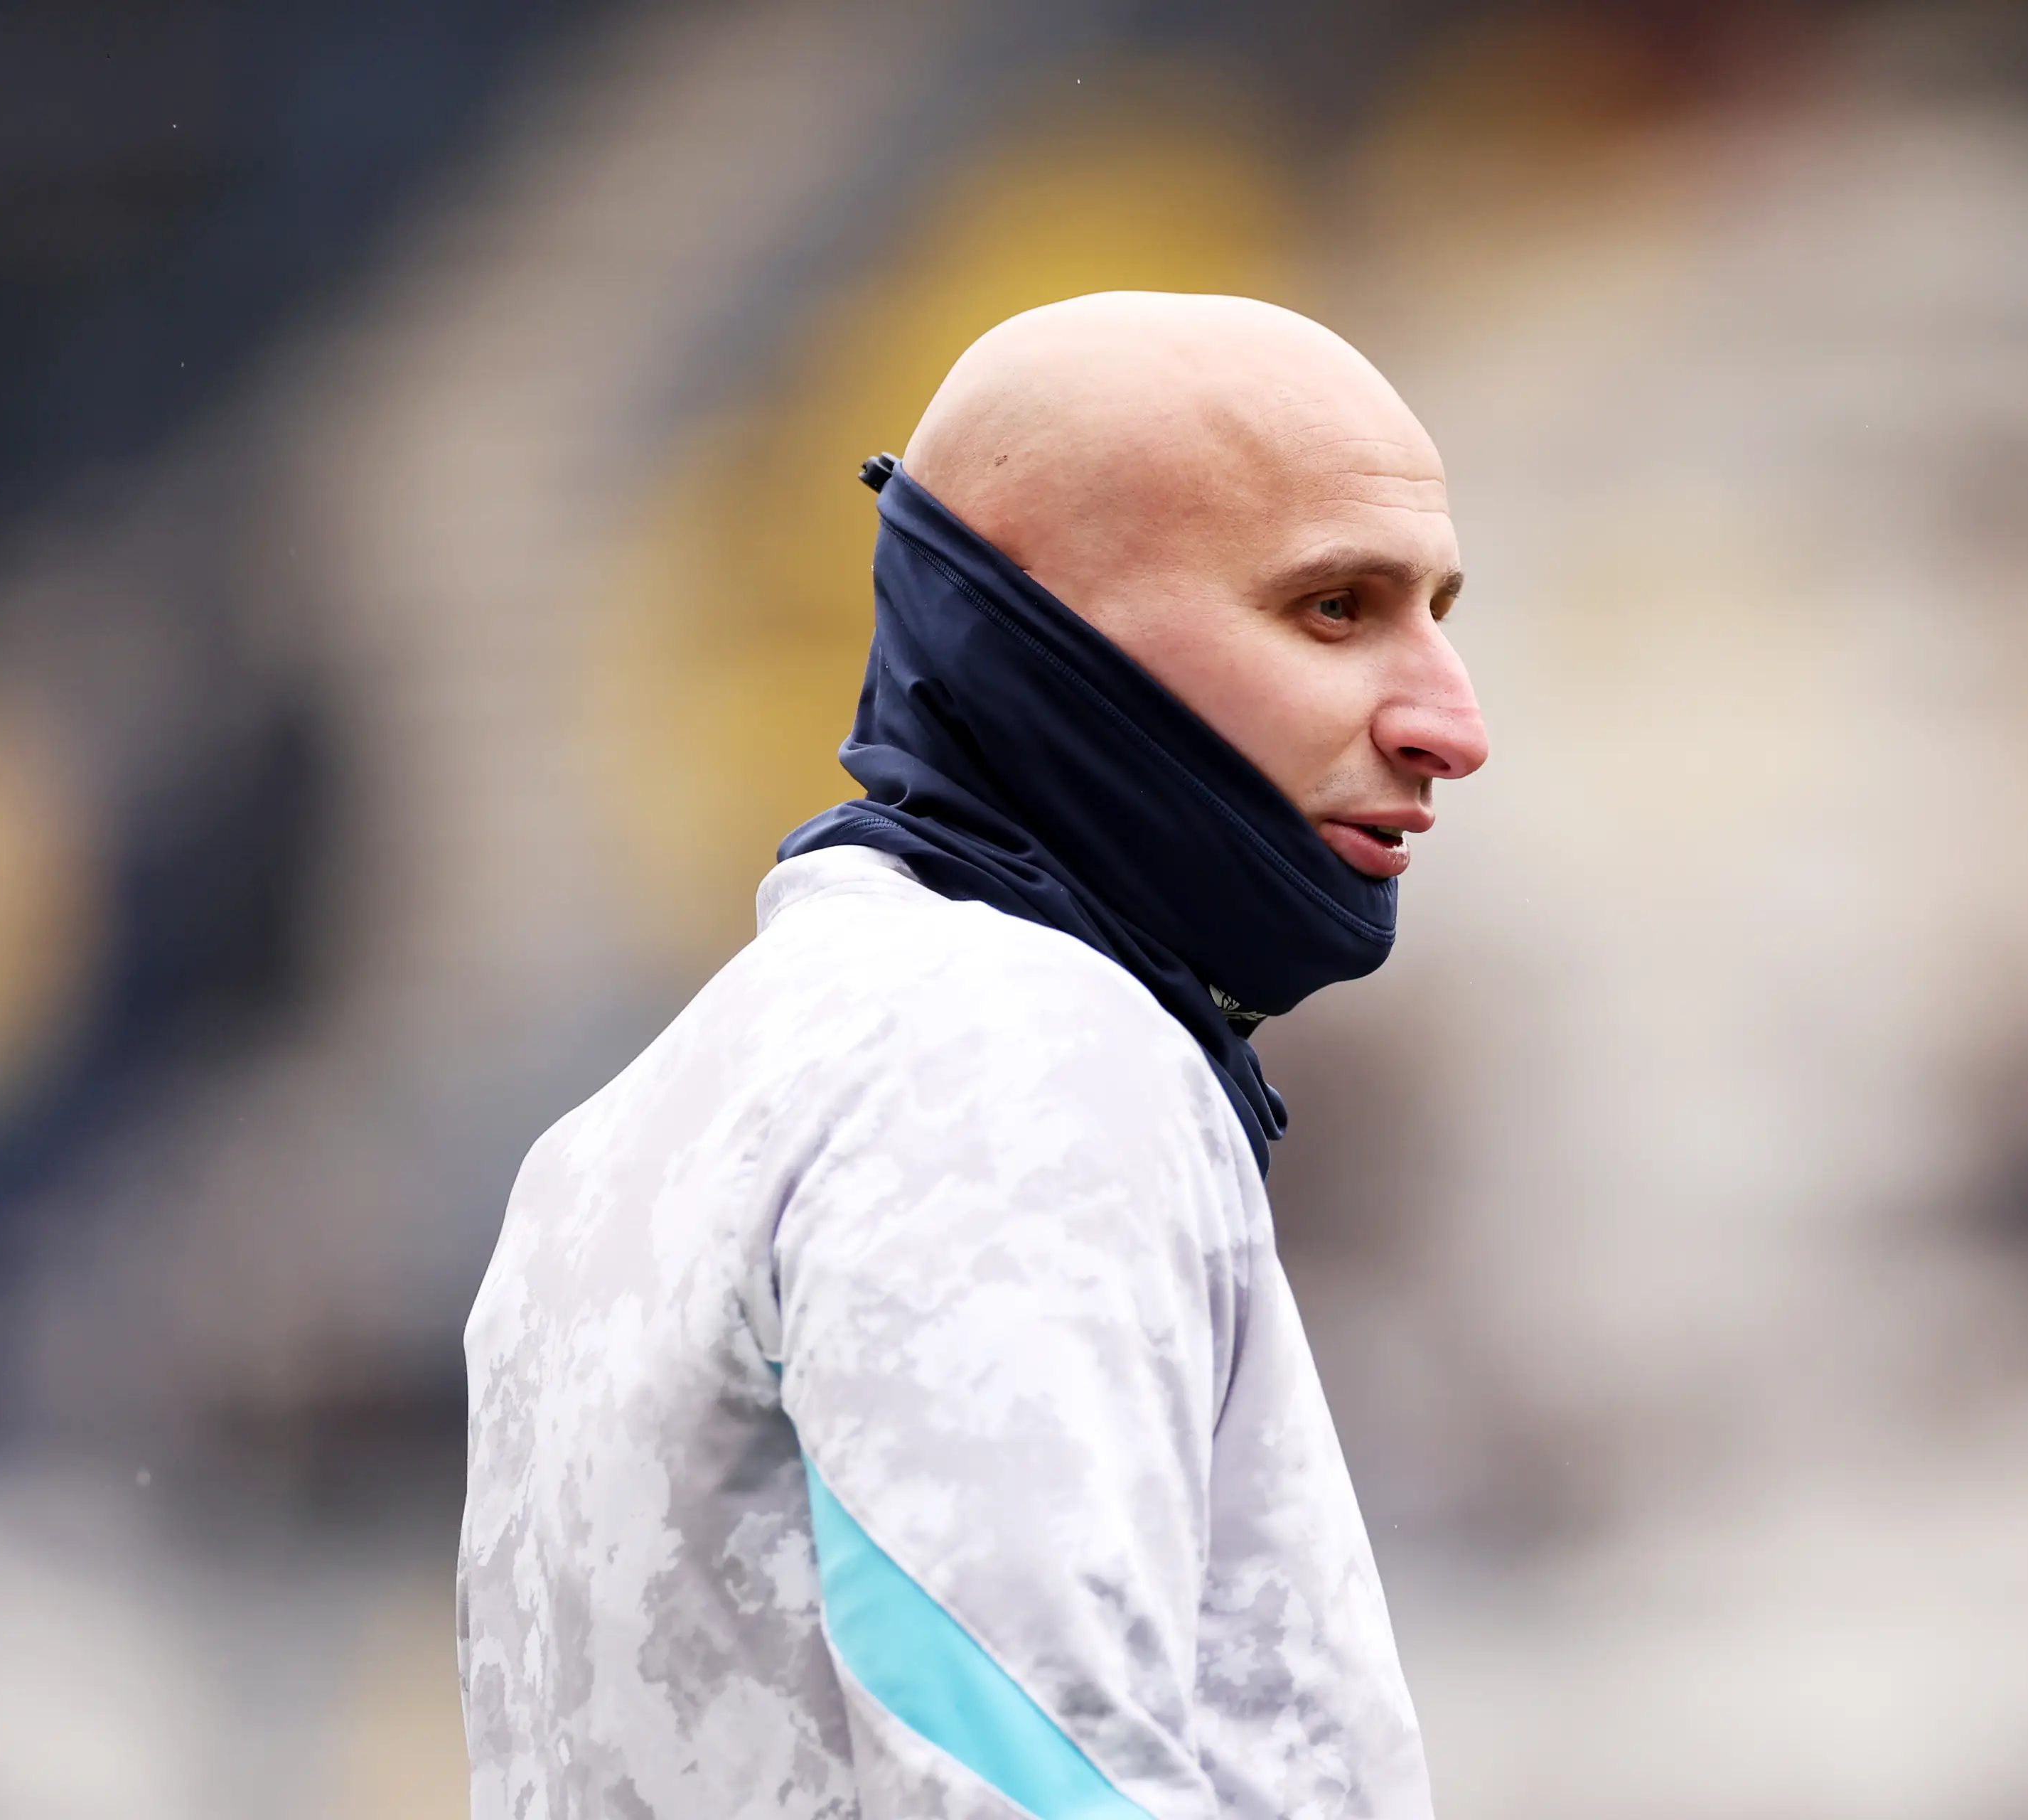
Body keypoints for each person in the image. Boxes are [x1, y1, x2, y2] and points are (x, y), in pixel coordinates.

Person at [458, 291, 1490, 1819]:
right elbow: (1022, 1777)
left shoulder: (639, 1123)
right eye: (1334, 607)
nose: (1452, 723)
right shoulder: (1015, 1057)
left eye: (1438, 613)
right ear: (1040, 631)